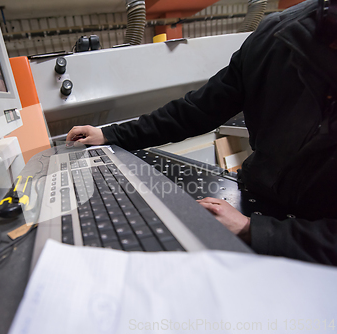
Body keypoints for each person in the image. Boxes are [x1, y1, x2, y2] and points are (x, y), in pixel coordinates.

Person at [66, 0, 337, 265]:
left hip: (315, 242)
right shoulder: (275, 37)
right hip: (261, 195)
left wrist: (254, 230)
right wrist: (111, 135)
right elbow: (197, 110)